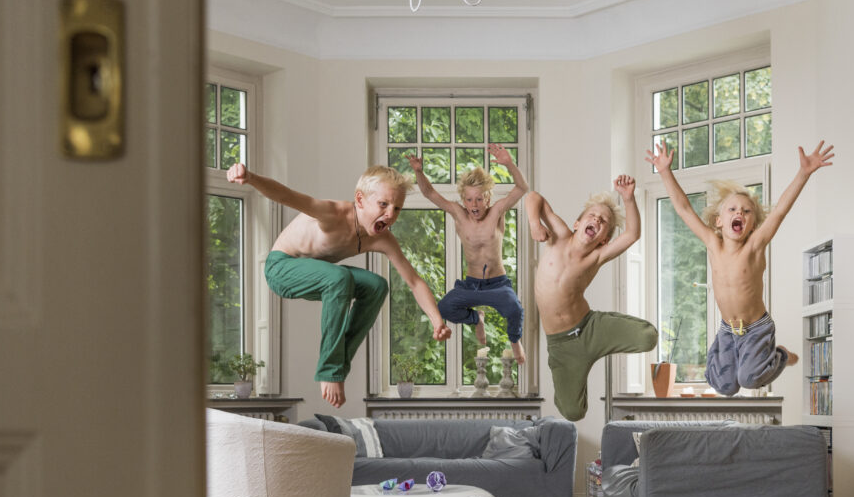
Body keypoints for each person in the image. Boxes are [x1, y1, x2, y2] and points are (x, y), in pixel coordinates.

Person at [226, 162, 451, 408]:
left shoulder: (383, 239)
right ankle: (329, 370)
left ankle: (340, 364)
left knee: (376, 285)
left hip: (321, 275)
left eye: (397, 208)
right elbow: (286, 195)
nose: (390, 215)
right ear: (360, 200)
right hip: (282, 268)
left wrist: (437, 320)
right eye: (383, 204)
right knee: (338, 278)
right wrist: (250, 178)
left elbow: (414, 281)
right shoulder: (333, 213)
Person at [644, 139, 834, 396]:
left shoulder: (755, 245)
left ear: (753, 224)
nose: (740, 214)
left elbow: (778, 212)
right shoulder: (713, 243)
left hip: (756, 328)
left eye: (746, 211)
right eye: (733, 209)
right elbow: (684, 209)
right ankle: (722, 358)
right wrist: (665, 172)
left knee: (749, 379)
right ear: (719, 221)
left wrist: (803, 173)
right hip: (727, 329)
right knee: (723, 386)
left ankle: (780, 355)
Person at [526, 175, 658, 421]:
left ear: (604, 238)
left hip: (590, 328)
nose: (596, 219)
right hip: (562, 345)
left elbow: (632, 234)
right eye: (592, 215)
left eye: (603, 221)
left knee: (648, 337)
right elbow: (533, 197)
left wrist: (628, 198)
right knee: (573, 412)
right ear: (577, 223)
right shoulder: (558, 234)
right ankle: (575, 372)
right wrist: (535, 223)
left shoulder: (597, 256)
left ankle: (604, 339)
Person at [408, 144, 529, 363]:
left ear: (488, 199)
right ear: (463, 200)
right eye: (470, 199)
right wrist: (418, 171)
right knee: (444, 308)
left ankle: (515, 340)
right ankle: (476, 319)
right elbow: (429, 193)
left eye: (479, 199)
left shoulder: (497, 212)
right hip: (471, 285)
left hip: (497, 285)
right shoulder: (458, 214)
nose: (474, 204)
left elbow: (522, 188)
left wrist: (509, 163)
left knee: (515, 310)